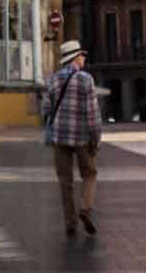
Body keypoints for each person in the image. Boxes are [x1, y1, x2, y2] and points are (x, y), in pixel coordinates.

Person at [43, 40, 103, 237]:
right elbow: (92, 113)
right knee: (89, 174)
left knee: (65, 180)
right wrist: (96, 137)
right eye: (82, 55)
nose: (84, 58)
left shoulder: (52, 80)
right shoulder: (86, 79)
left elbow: (46, 110)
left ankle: (70, 222)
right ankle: (85, 209)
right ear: (76, 57)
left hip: (60, 136)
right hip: (82, 137)